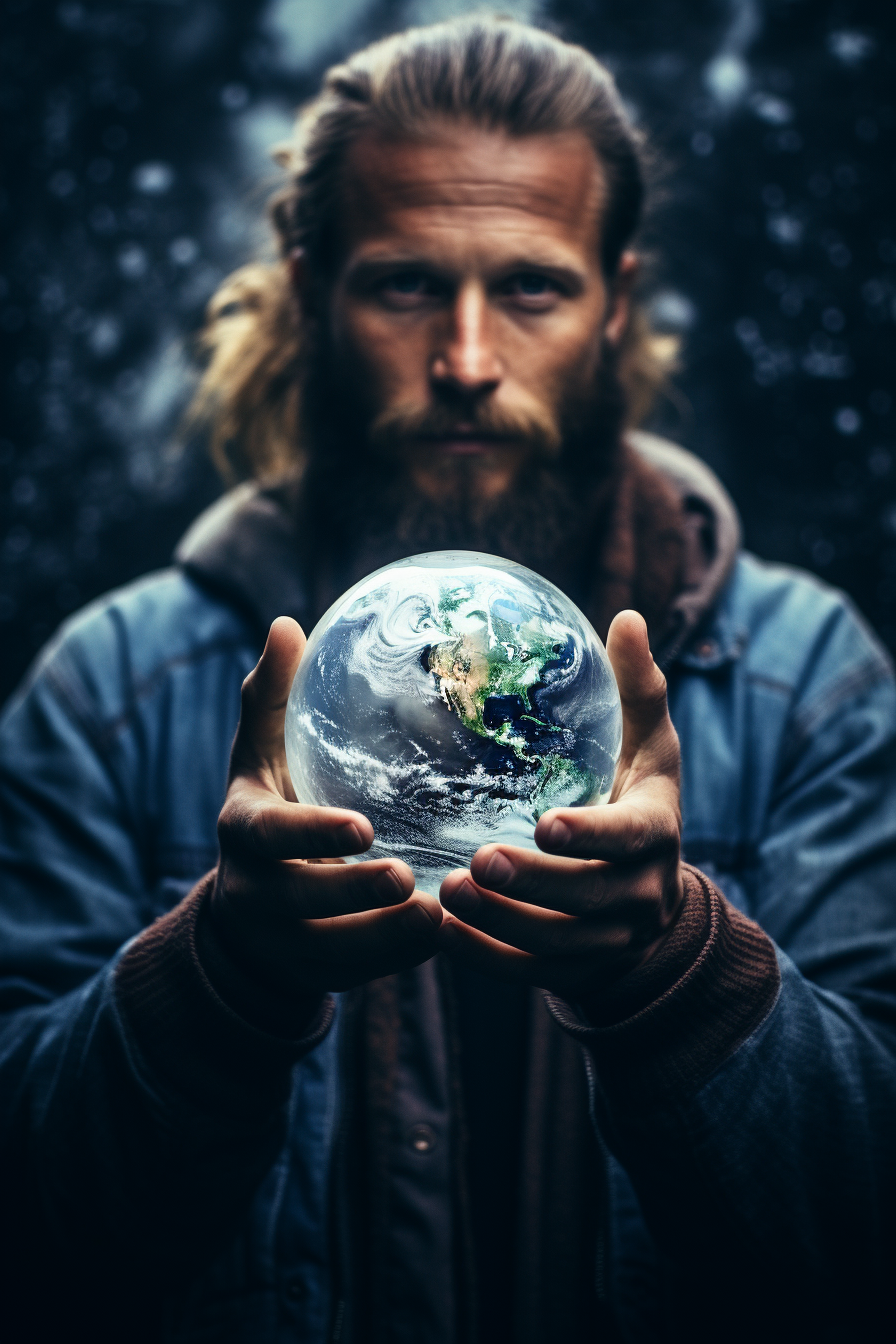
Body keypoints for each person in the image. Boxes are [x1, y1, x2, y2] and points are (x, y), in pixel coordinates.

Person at [1, 16, 894, 1344]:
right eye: (406, 284)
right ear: (309, 296)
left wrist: (679, 971)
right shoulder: (108, 692)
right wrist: (218, 981)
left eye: (531, 287)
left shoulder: (811, 678)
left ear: (616, 303)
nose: (467, 360)